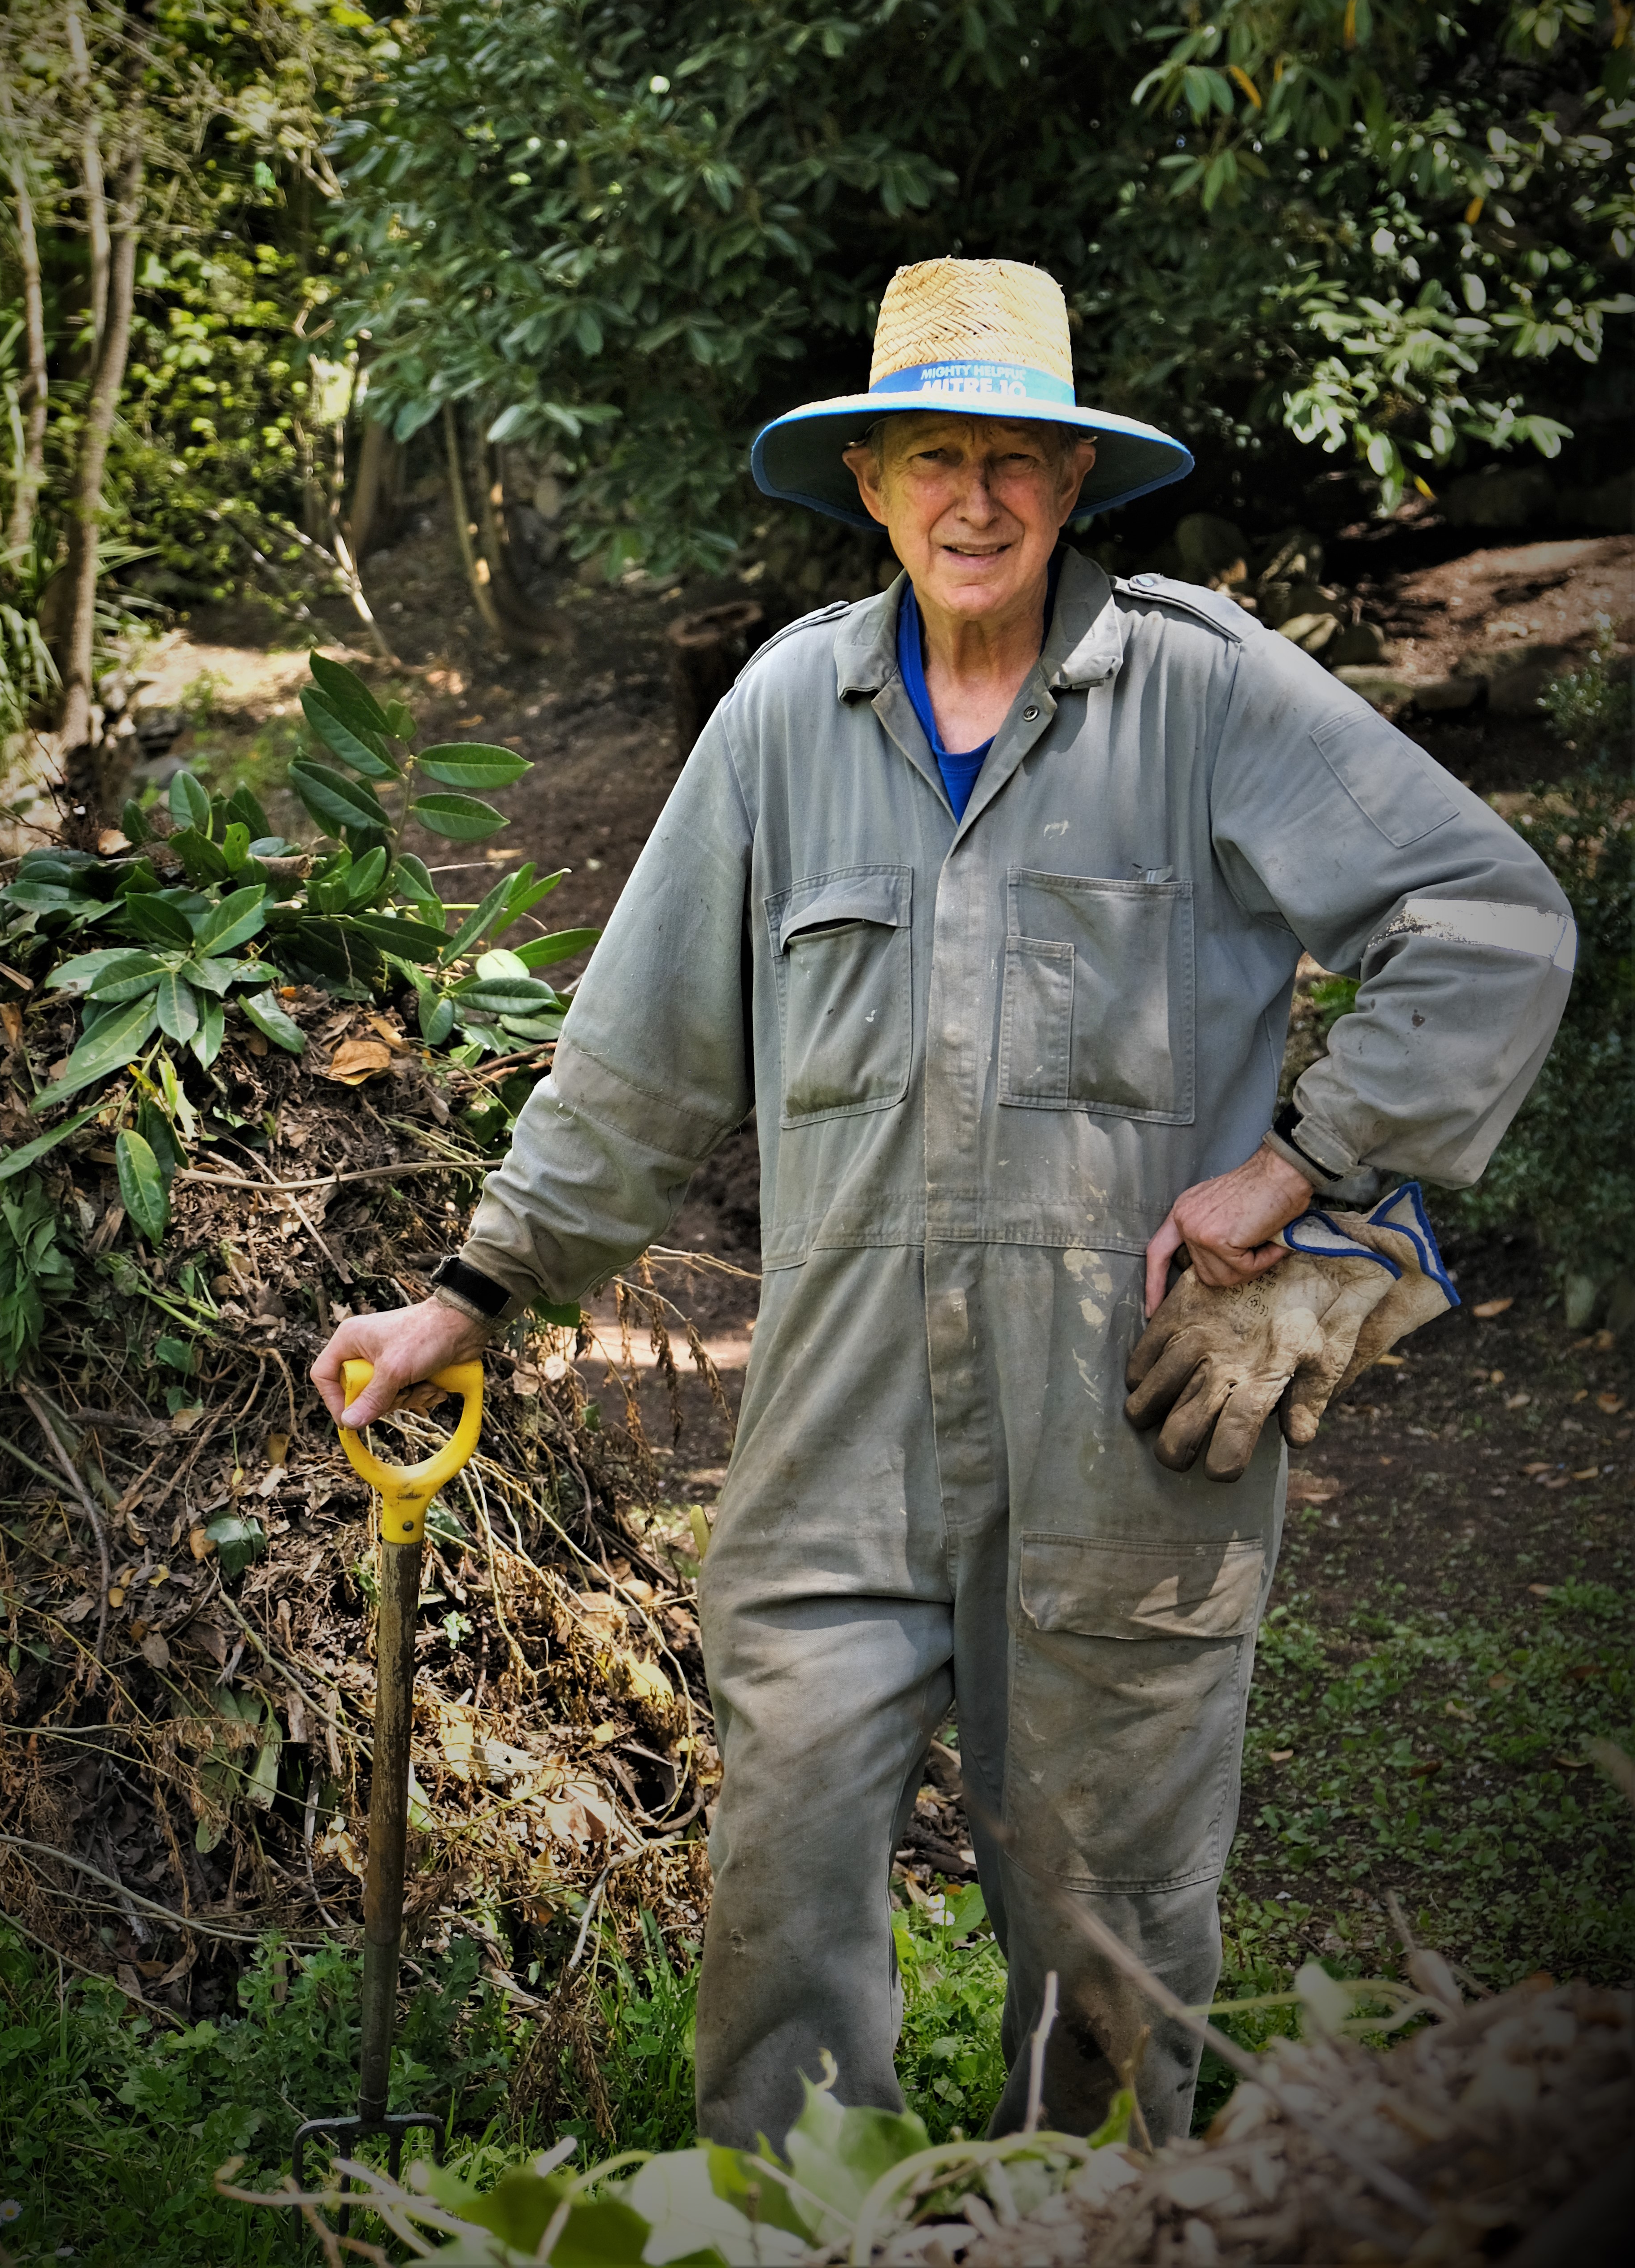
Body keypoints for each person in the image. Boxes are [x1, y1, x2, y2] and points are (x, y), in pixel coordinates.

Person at [313, 259, 1573, 2148]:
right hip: (835, 1434)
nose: (971, 499)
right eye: (929, 461)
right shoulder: (776, 721)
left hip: (1122, 1440)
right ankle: (793, 2221)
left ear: (1071, 488)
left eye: (1010, 460)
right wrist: (473, 1292)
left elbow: (1484, 924)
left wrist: (1304, 1173)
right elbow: (639, 1061)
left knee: (1112, 1943)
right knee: (782, 1895)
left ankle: (1106, 2224)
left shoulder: (1202, 692)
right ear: (872, 489)